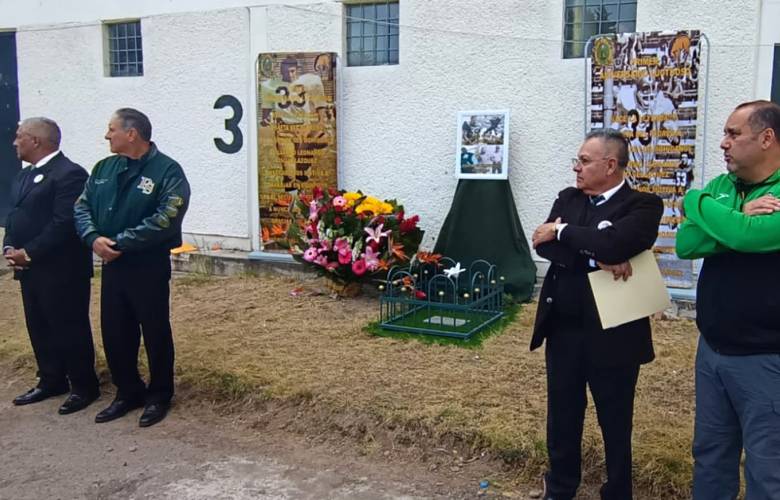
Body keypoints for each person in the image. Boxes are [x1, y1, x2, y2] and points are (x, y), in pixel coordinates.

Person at [530, 129, 663, 500]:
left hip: (615, 333)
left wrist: (563, 231)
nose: (576, 168)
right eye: (577, 160)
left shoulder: (644, 205)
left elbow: (617, 242)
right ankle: (560, 486)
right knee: (563, 415)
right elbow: (545, 248)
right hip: (564, 330)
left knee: (615, 419)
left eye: (584, 161)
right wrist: (596, 255)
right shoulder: (569, 198)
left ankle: (618, 490)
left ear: (610, 165)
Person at [676, 100, 780, 500]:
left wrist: (693, 202)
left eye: (734, 134)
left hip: (765, 360)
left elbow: (747, 238)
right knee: (710, 457)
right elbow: (686, 244)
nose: (723, 143)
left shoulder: (714, 195)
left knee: (768, 469)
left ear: (767, 138)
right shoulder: (723, 186)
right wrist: (738, 212)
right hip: (713, 352)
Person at [74, 108, 190, 427]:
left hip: (146, 265)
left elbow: (167, 217)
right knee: (115, 332)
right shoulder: (103, 168)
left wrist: (121, 243)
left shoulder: (167, 171)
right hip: (111, 265)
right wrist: (93, 238)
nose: (106, 135)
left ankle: (159, 395)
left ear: (132, 133)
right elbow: (82, 206)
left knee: (154, 332)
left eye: (111, 129)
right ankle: (127, 392)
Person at [3, 117, 99, 414]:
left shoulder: (69, 174)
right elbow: (15, 215)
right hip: (30, 269)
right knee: (39, 325)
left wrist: (29, 251)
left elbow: (64, 223)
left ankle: (83, 386)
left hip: (62, 270)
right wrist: (9, 245)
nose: (14, 142)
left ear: (36, 141)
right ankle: (51, 379)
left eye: (20, 137)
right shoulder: (24, 176)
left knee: (69, 326)